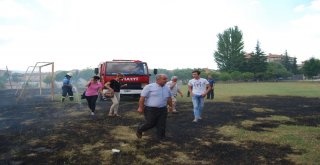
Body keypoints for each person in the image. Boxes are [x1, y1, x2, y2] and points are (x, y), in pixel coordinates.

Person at [136, 74, 173, 141]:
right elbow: (142, 98)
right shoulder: (149, 87)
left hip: (163, 109)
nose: (166, 81)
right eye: (164, 79)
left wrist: (170, 106)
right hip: (150, 109)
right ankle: (140, 129)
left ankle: (161, 137)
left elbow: (169, 98)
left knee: (162, 124)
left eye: (166, 79)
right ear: (158, 80)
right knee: (150, 123)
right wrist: (140, 107)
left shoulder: (167, 88)